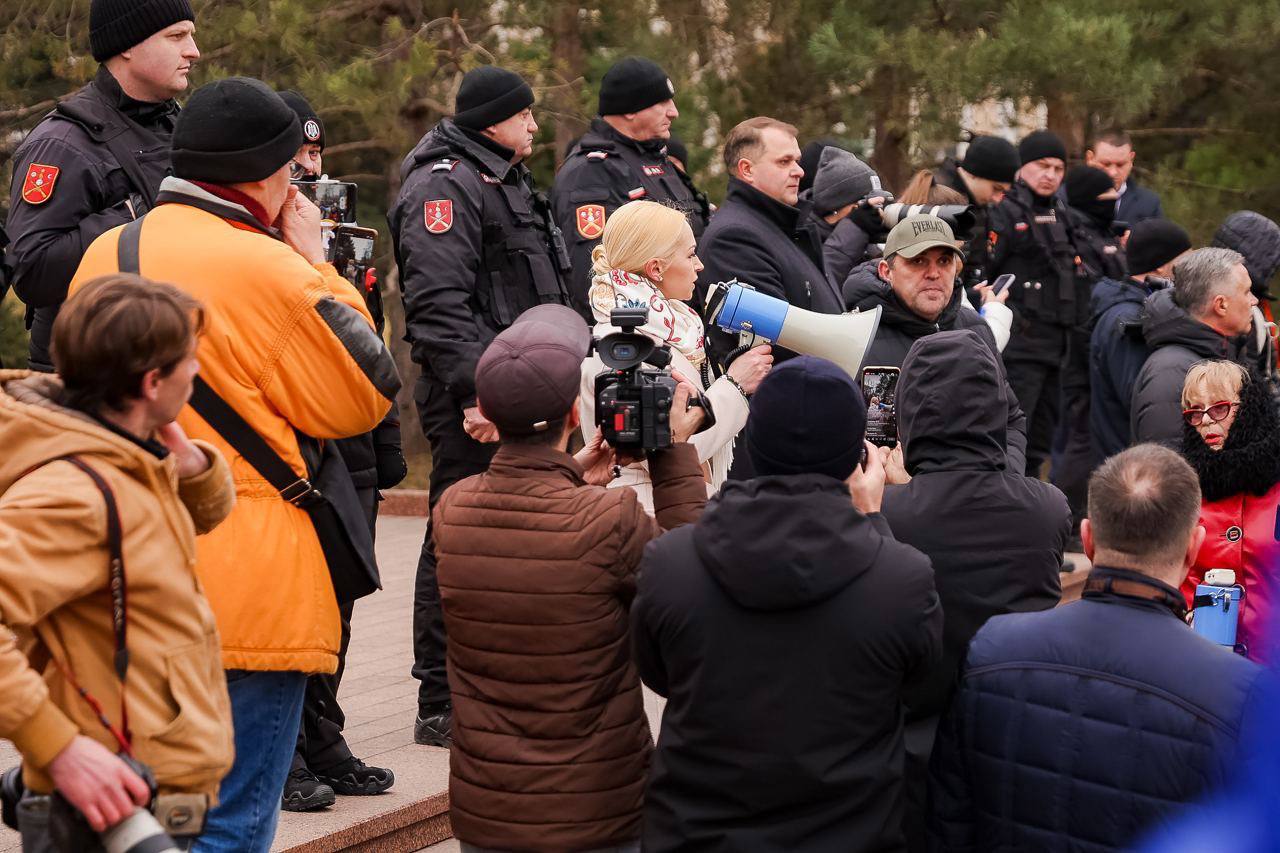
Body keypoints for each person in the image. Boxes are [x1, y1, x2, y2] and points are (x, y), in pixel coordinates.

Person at [68, 77, 399, 853]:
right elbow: (365, 391)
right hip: (248, 595)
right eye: (293, 166)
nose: (301, 181)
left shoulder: (104, 252)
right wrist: (317, 262)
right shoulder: (272, 268)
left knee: (146, 824)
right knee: (226, 828)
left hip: (120, 579)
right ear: (261, 174)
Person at [631, 355, 941, 852]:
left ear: (754, 442)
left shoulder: (669, 563)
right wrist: (873, 521)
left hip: (696, 833)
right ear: (856, 458)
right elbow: (915, 683)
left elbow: (660, 674)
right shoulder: (902, 575)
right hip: (849, 833)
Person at [433, 304, 708, 852]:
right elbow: (695, 584)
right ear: (575, 415)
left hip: (489, 811)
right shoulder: (609, 519)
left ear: (485, 410)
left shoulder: (452, 510)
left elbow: (524, 518)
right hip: (597, 811)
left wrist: (571, 472)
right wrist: (672, 453)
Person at [928, 444, 1264, 852]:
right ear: (1194, 548)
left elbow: (949, 822)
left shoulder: (993, 649)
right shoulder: (1241, 694)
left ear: (1087, 539)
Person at [0, 275, 234, 848]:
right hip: (106, 805)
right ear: (152, 381)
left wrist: (183, 459)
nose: (196, 374)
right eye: (189, 362)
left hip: (156, 792)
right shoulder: (76, 491)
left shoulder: (127, 456)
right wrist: (58, 746)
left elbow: (193, 520)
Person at [387, 65, 572, 748]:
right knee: (459, 533)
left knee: (515, 538)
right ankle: (440, 697)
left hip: (526, 390)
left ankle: (499, 681)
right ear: (495, 118)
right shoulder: (446, 183)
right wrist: (477, 393)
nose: (535, 124)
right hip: (479, 397)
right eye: (525, 113)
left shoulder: (504, 176)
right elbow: (437, 309)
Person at [879, 328, 1068, 850]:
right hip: (1010, 741)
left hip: (911, 751)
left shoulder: (886, 513)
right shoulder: (1047, 507)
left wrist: (897, 493)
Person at [277, 90, 402, 812]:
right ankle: (285, 749)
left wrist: (386, 443)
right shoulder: (256, 241)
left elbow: (371, 342)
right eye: (295, 152)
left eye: (316, 152)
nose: (307, 164)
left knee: (341, 598)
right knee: (297, 600)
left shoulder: (345, 236)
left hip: (351, 438)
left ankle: (325, 738)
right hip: (296, 441)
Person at [5, 0, 199, 372]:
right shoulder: (61, 143)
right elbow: (32, 271)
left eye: (191, 35)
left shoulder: (181, 126)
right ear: (126, 46)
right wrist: (139, 210)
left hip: (166, 365)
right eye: (176, 36)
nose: (193, 50)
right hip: (86, 380)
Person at [578, 200, 769, 506]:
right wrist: (735, 385)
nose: (700, 265)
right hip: (648, 509)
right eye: (691, 254)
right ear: (656, 268)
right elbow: (671, 445)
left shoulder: (668, 326)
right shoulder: (623, 344)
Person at [846, 214, 1027, 471]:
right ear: (887, 271)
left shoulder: (975, 327)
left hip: (976, 498)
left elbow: (1010, 419)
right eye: (918, 261)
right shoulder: (856, 334)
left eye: (944, 261)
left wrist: (1005, 477)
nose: (933, 273)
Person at [552, 57, 710, 315]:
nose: (674, 111)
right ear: (629, 110)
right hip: (643, 335)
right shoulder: (591, 171)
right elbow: (594, 275)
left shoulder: (656, 161)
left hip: (683, 324)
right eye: (662, 103)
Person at [695, 116, 844, 366]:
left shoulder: (782, 226)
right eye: (784, 161)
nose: (799, 171)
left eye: (796, 160)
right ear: (747, 170)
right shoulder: (733, 238)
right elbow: (774, 344)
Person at [986, 129, 1082, 477]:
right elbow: (987, 274)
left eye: (1058, 168)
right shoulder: (1005, 213)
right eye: (1042, 165)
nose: (1051, 175)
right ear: (1022, 167)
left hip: (1058, 348)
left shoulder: (1064, 214)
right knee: (1013, 438)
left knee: (1041, 442)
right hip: (1020, 349)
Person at [1180, 361, 1279, 662]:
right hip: (1204, 665)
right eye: (1195, 412)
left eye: (1220, 408)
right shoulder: (1180, 488)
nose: (1207, 421)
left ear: (1249, 408)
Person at [1056, 165, 1127, 537]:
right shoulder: (1078, 238)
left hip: (1099, 347)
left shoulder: (1103, 233)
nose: (1112, 205)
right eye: (1105, 200)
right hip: (1082, 351)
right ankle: (1067, 522)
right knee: (1079, 435)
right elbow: (1092, 294)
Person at [1131, 248, 1259, 447]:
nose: (1254, 301)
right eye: (1246, 292)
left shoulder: (1220, 352)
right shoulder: (1171, 374)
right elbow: (1168, 469)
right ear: (1221, 305)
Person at [1089, 218, 1191, 460]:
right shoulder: (1129, 320)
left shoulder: (1138, 309)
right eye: (1184, 259)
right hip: (1129, 464)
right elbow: (1139, 399)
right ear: (1159, 267)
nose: (1190, 267)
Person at [933, 134, 1020, 290]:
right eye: (996, 189)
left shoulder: (979, 204)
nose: (998, 199)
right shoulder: (937, 198)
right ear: (973, 173)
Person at [802, 146, 887, 285]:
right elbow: (818, 285)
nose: (872, 210)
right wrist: (854, 230)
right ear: (835, 207)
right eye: (863, 203)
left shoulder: (867, 243)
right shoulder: (801, 237)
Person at [1085, 129, 1163, 224]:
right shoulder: (1065, 199)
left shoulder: (1150, 204)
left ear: (1131, 160)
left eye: (1120, 165)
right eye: (1106, 164)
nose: (1113, 173)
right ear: (1090, 159)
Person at [660, 134, 713, 227]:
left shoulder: (694, 194)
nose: (670, 166)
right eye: (666, 161)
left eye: (674, 161)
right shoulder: (659, 193)